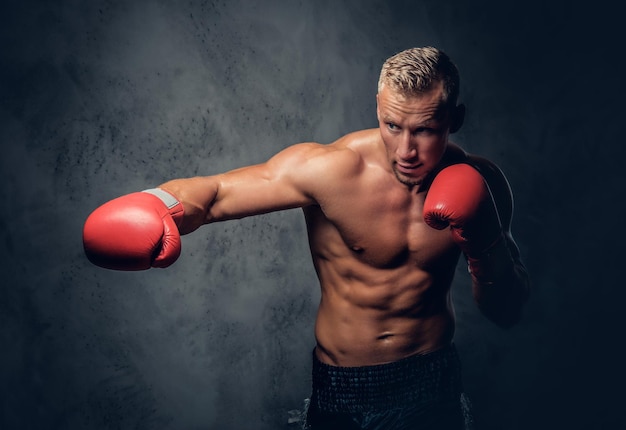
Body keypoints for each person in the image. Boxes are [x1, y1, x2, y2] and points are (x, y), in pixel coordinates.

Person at [83, 47, 530, 430]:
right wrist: (158, 204)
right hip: (343, 387)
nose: (406, 150)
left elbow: (507, 312)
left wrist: (486, 244)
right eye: (393, 126)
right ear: (378, 108)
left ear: (456, 119)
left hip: (431, 379)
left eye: (425, 130)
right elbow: (217, 193)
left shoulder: (483, 182)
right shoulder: (332, 170)